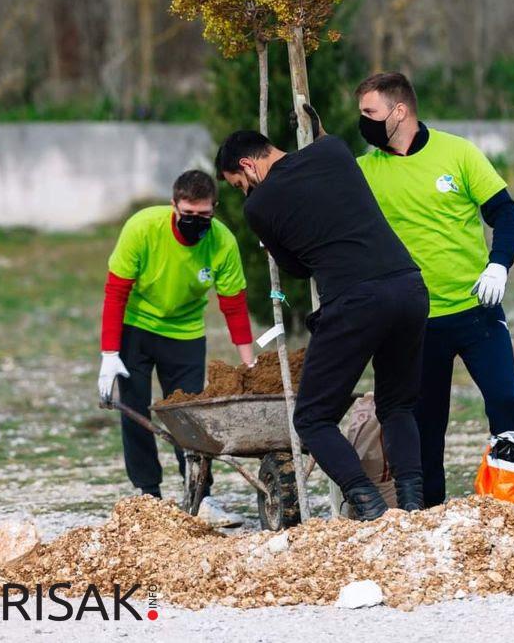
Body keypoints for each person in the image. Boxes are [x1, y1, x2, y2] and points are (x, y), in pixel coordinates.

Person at [215, 130, 430, 521]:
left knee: (312, 418)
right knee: (398, 404)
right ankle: (413, 505)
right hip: (409, 286)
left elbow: (297, 269)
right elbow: (325, 147)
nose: (245, 192)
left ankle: (369, 505)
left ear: (247, 164)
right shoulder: (333, 150)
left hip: (355, 301)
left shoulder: (259, 206)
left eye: (240, 185)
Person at [351, 72, 514, 507]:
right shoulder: (365, 172)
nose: (363, 123)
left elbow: (505, 214)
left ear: (399, 112)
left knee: (507, 401)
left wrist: (499, 265)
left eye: (369, 113)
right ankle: (430, 517)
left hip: (476, 310)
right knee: (426, 425)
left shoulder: (459, 153)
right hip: (415, 321)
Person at [97, 169, 255, 526]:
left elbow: (233, 305)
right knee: (135, 410)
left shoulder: (222, 242)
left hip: (184, 333)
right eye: (188, 214)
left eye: (204, 216)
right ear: (173, 205)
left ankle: (201, 497)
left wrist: (249, 365)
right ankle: (148, 494)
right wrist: (109, 354)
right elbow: (116, 291)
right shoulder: (142, 229)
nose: (196, 222)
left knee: (188, 416)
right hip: (136, 328)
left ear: (214, 209)